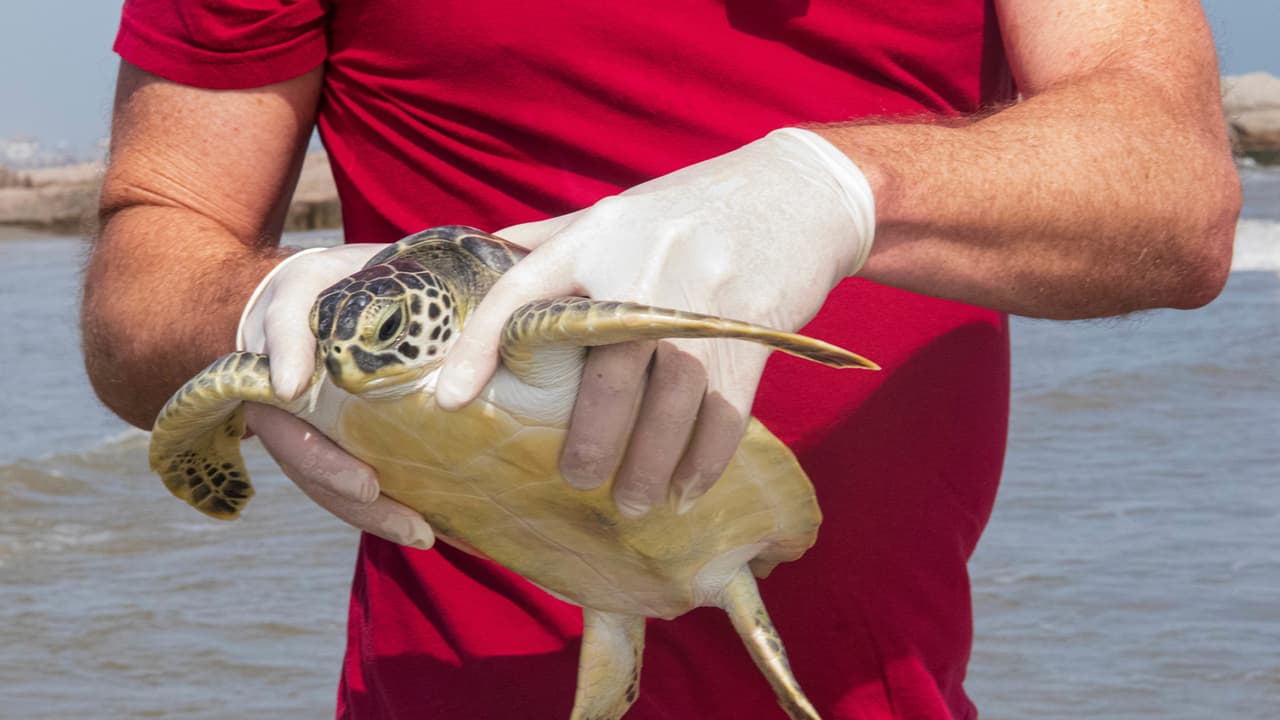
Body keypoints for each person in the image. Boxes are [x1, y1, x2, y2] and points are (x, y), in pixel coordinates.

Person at [82, 1, 1239, 718]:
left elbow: (1173, 193)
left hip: (889, 692)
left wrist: (835, 190)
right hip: (447, 695)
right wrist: (256, 307)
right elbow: (146, 276)